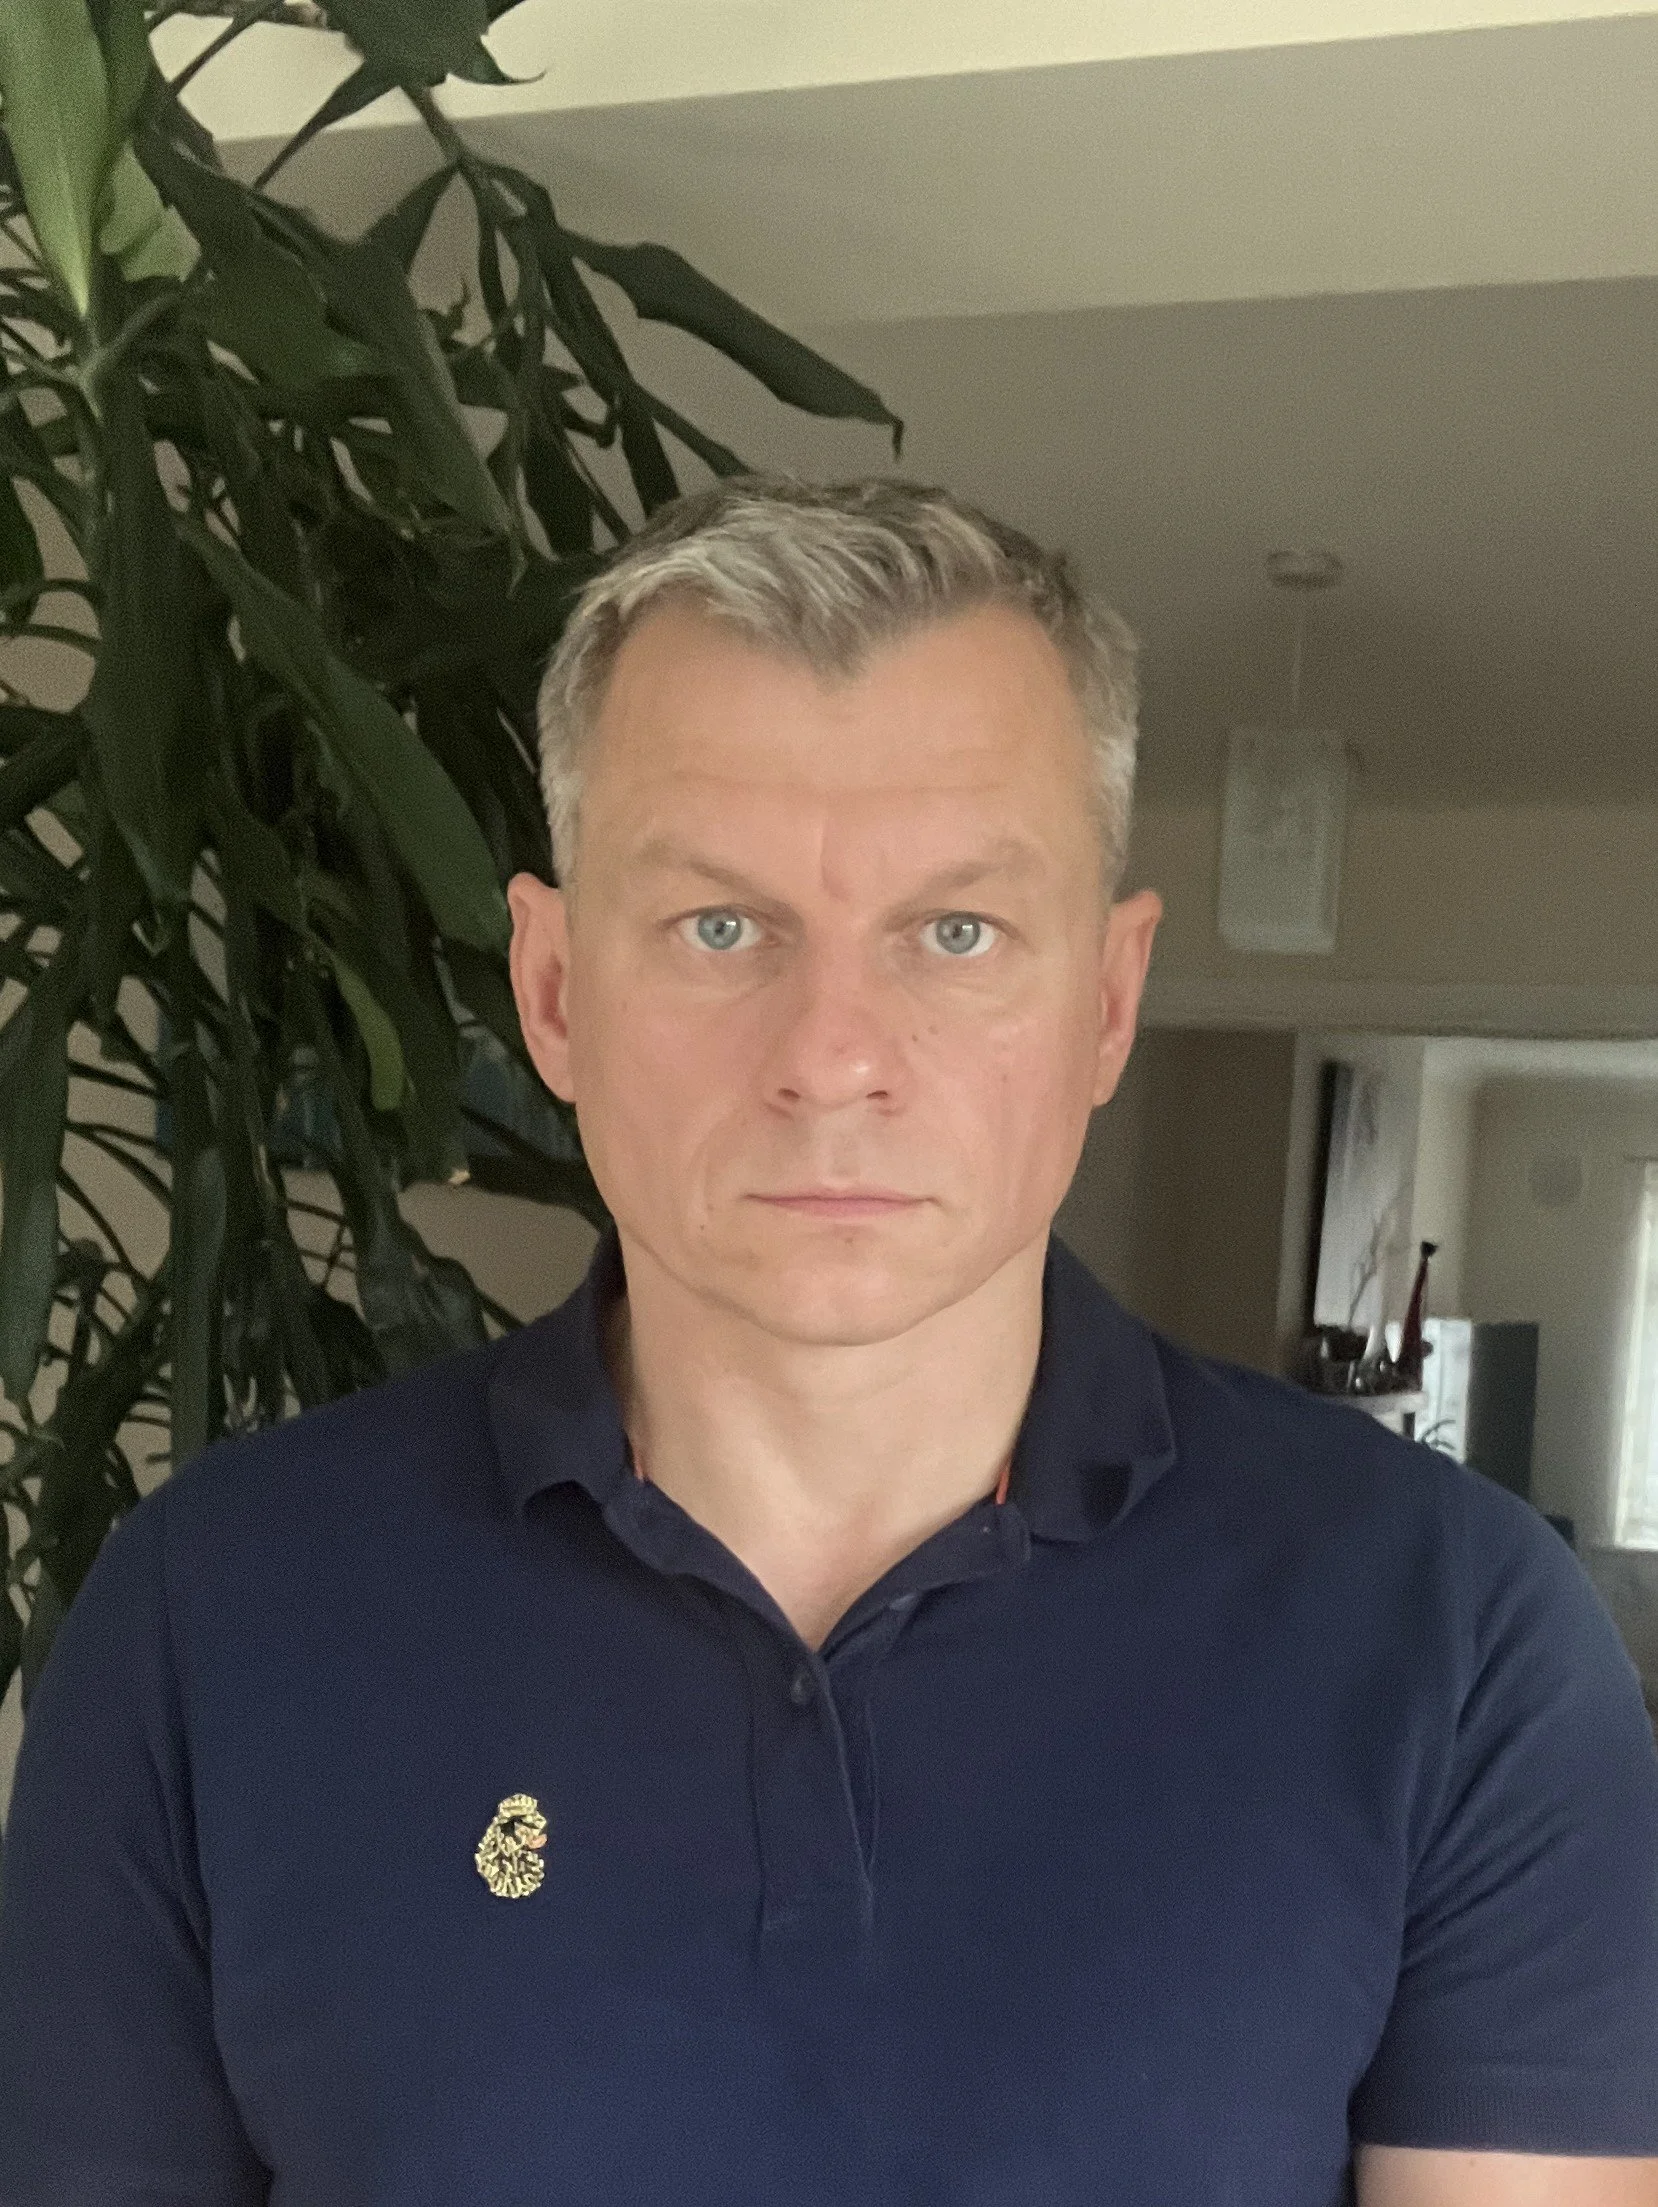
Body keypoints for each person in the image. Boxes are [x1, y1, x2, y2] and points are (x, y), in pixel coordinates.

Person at [1, 477, 1655, 2207]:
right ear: (556, 991)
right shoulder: (216, 1617)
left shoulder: (1453, 1634)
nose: (832, 1056)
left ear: (1105, 998)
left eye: (954, 932)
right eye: (721, 927)